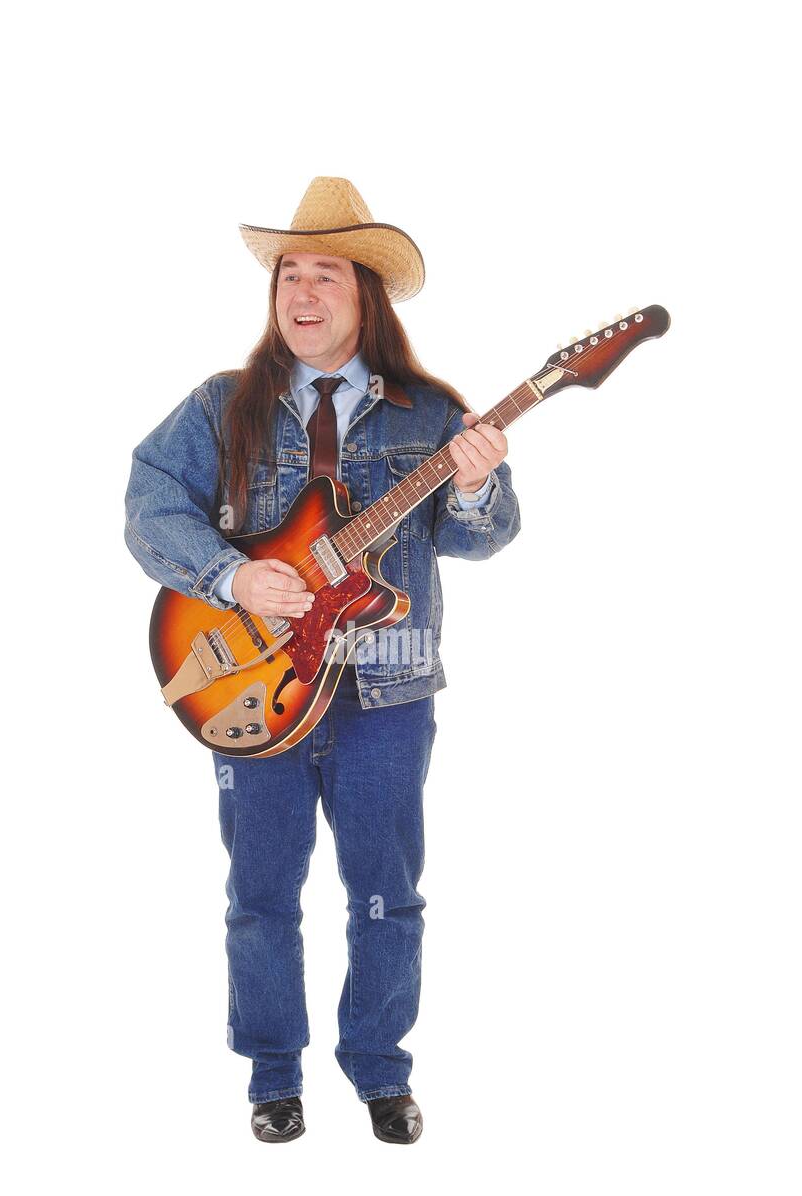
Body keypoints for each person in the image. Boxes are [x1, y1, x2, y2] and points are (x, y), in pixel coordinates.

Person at [125, 177, 521, 1144]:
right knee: (259, 892)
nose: (301, 292)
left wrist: (472, 488)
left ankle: (380, 1071)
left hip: (388, 685)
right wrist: (231, 577)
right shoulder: (222, 405)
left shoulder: (435, 413)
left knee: (387, 891)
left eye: (326, 275)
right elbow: (148, 507)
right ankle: (272, 1075)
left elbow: (487, 534)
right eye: (287, 275)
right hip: (253, 683)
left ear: (366, 297)